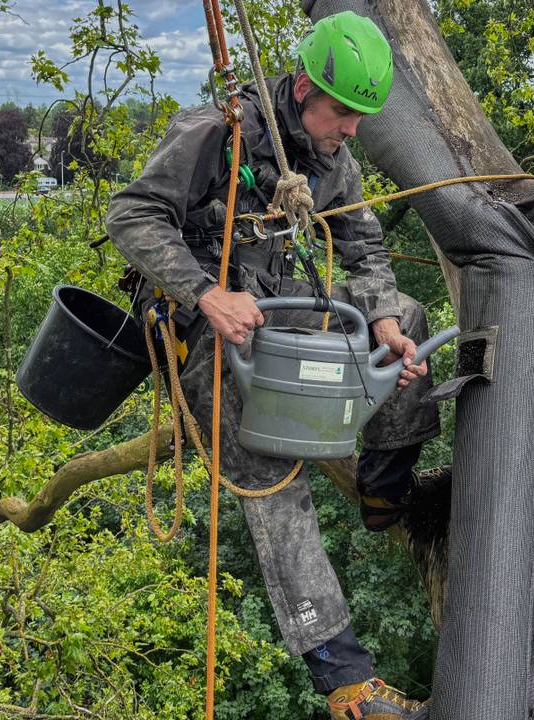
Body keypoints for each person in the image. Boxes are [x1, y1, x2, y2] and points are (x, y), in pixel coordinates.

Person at [106, 12, 436, 719]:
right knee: (267, 470)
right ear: (305, 86)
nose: (349, 131)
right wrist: (205, 293)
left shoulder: (330, 159)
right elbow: (132, 215)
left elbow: (364, 244)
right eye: (342, 114)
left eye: (358, 119)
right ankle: (346, 683)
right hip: (200, 324)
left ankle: (384, 488)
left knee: (407, 319)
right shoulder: (216, 133)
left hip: (274, 304)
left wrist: (377, 310)